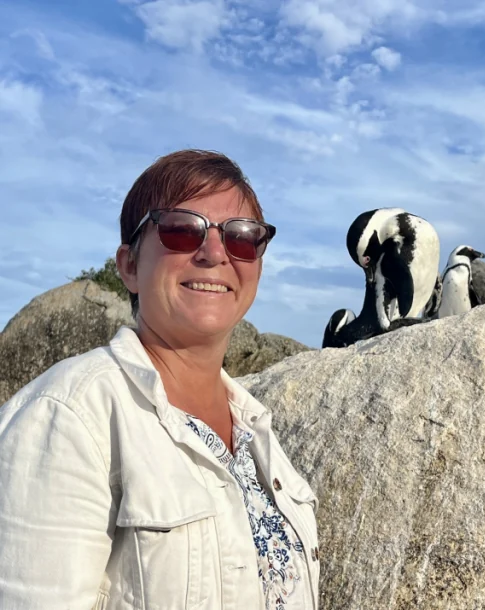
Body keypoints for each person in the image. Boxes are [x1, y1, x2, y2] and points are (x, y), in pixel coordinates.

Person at [0, 150, 320, 609]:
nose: (215, 254)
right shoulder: (68, 418)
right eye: (180, 229)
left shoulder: (257, 431)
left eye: (242, 237)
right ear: (129, 265)